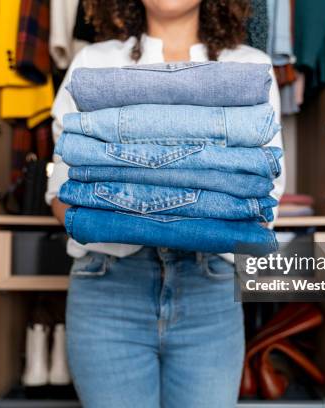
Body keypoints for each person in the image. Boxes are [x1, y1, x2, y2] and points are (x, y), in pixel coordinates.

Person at [45, 1, 285, 406]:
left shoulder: (250, 70)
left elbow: (264, 196)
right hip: (108, 290)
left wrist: (128, 204)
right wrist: (184, 208)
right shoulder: (93, 64)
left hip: (208, 293)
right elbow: (62, 193)